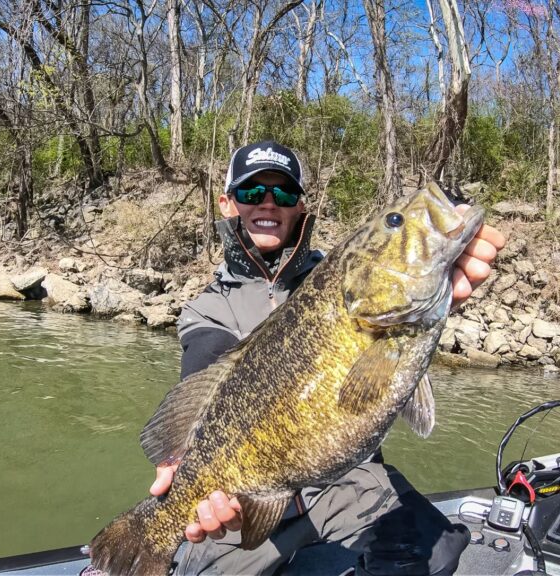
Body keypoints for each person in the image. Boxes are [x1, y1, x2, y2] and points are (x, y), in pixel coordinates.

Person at [154, 140, 506, 575]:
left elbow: (392, 337)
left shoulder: (338, 275)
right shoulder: (207, 309)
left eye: (284, 193)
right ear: (228, 204)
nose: (268, 202)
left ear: (300, 205)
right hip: (248, 498)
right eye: (252, 192)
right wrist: (182, 469)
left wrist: (438, 290)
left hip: (345, 482)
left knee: (436, 551)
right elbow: (202, 384)